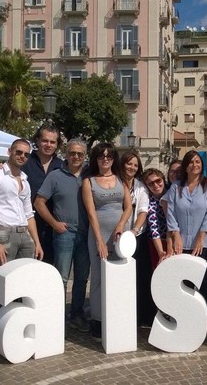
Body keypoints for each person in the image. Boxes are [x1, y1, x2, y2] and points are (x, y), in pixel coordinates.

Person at [0, 139, 43, 314]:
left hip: (24, 232)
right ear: (10, 151)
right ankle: (0, 323)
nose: (22, 156)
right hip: (3, 232)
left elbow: (29, 213)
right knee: (3, 279)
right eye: (19, 152)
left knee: (24, 279)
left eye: (26, 154)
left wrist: (36, 242)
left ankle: (18, 317)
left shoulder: (24, 179)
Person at [34, 138, 91, 333]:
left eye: (80, 154)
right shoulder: (55, 176)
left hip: (86, 234)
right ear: (66, 154)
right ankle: (56, 315)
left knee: (82, 278)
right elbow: (39, 202)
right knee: (61, 278)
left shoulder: (89, 175)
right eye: (72, 153)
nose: (76, 157)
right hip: (64, 234)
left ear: (85, 156)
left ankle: (76, 314)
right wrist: (54, 224)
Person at [164, 150, 207, 339]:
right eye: (191, 162)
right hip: (182, 244)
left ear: (202, 165)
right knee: (185, 286)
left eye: (198, 162)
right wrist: (176, 235)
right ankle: (186, 320)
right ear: (186, 166)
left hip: (204, 245)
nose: (194, 165)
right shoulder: (176, 188)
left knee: (204, 284)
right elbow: (170, 212)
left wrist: (201, 238)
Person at [81, 142, 132, 342]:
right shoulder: (89, 182)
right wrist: (99, 240)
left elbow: (128, 207)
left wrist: (121, 225)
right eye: (101, 156)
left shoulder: (121, 179)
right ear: (96, 159)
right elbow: (91, 213)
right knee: (99, 278)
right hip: (99, 233)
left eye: (109, 156)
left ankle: (118, 316)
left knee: (120, 275)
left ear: (113, 159)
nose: (105, 159)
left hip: (120, 234)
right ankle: (97, 320)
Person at [118, 150, 153, 328]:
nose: (132, 167)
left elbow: (143, 211)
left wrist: (134, 230)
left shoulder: (140, 186)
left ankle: (141, 316)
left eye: (135, 165)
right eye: (129, 163)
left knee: (140, 277)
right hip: (116, 236)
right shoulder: (114, 182)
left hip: (136, 237)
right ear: (122, 163)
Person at [21, 125, 64, 265]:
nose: (48, 145)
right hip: (27, 226)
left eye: (52, 142)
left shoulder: (62, 166)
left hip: (53, 229)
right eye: (45, 141)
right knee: (26, 269)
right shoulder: (24, 162)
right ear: (37, 140)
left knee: (50, 270)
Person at [142, 168, 168, 269]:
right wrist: (161, 252)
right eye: (151, 184)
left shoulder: (172, 193)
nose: (156, 186)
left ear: (163, 179)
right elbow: (154, 229)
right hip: (157, 243)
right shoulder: (149, 201)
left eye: (158, 181)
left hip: (176, 240)